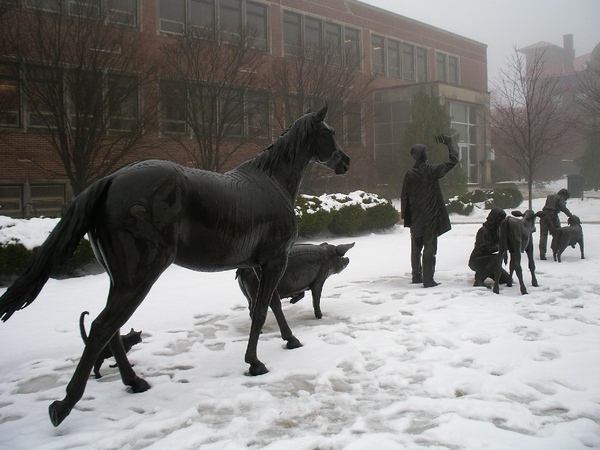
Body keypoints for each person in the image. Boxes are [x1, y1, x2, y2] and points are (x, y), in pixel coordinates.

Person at [401, 135, 459, 288]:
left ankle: (416, 275)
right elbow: (453, 161)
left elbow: (404, 197)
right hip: (429, 216)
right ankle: (428, 279)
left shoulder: (409, 174)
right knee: (429, 247)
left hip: (415, 216)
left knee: (416, 246)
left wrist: (407, 217)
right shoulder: (431, 171)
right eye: (425, 151)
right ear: (423, 155)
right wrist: (449, 143)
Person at [469, 207, 511, 287]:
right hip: (476, 261)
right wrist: (503, 246)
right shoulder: (484, 231)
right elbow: (489, 249)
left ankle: (480, 274)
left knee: (507, 279)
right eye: (500, 219)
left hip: (489, 262)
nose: (501, 221)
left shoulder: (497, 231)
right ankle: (479, 281)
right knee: (496, 258)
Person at [539, 188, 572, 260]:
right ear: (564, 195)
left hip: (544, 215)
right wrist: (570, 215)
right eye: (566, 198)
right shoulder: (560, 198)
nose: (565, 199)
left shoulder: (550, 196)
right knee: (558, 233)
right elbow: (563, 207)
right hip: (553, 216)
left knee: (543, 235)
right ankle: (556, 249)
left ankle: (542, 252)